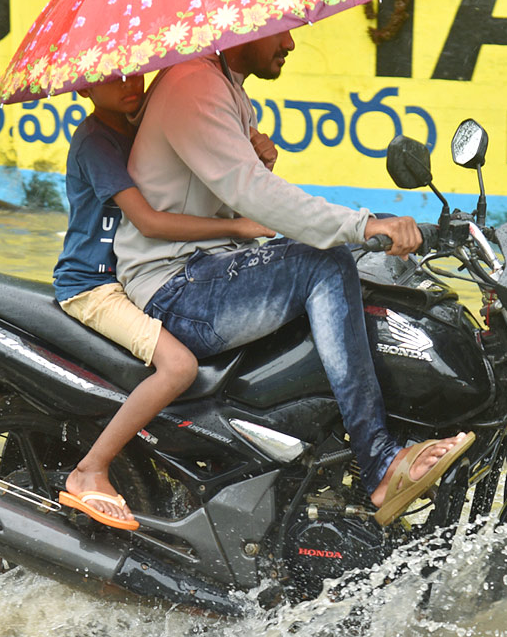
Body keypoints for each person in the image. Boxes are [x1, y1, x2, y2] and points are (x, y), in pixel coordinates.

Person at [114, 31, 474, 526]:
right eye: (280, 32)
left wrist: (372, 229)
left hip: (209, 268)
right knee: (327, 259)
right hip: (176, 288)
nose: (290, 43)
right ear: (245, 30)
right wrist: (361, 224)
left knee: (360, 250)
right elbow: (256, 195)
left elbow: (241, 189)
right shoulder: (192, 85)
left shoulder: (227, 87)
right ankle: (379, 461)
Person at [55, 74, 273, 529]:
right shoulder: (97, 141)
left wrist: (258, 160)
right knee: (179, 367)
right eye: (110, 78)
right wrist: (236, 230)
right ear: (82, 89)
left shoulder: (153, 128)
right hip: (95, 286)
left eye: (135, 71)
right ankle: (89, 471)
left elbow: (219, 192)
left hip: (149, 279)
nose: (128, 83)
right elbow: (151, 223)